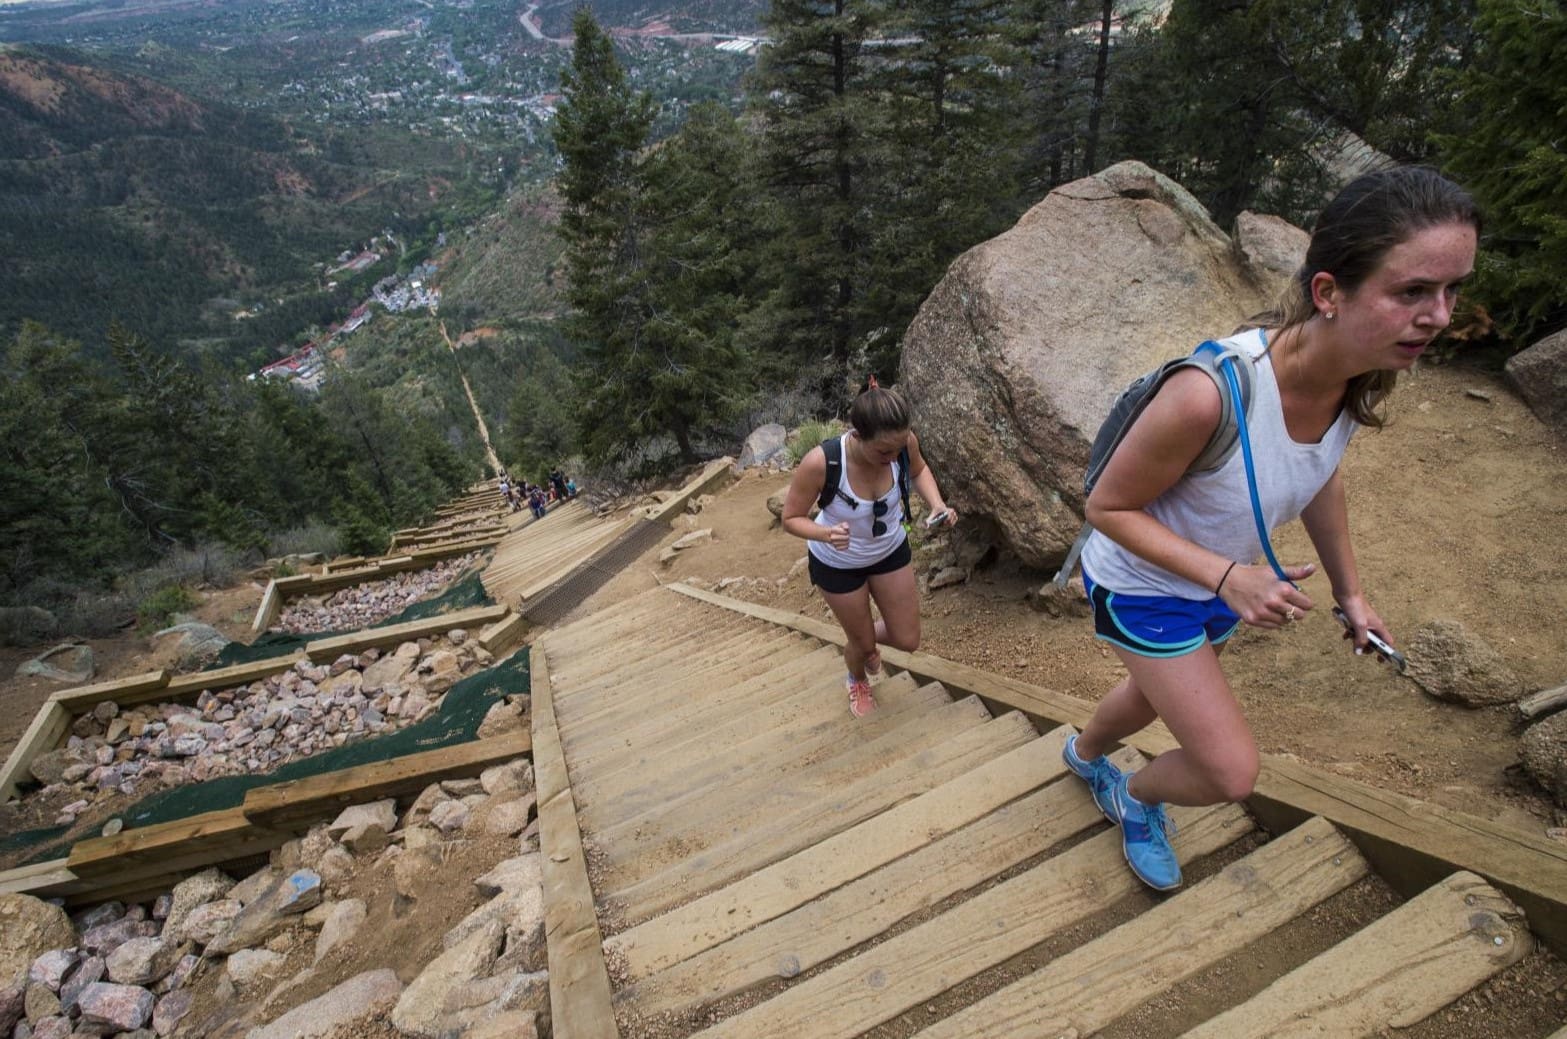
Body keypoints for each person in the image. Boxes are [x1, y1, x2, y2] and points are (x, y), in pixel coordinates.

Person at [1063, 167, 1480, 892]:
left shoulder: (1357, 372)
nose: (1439, 315)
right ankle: (1134, 796)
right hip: (1145, 586)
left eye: (1451, 289)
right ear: (1327, 292)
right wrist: (1229, 576)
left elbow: (1319, 472)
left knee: (1151, 690)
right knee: (1228, 769)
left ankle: (1082, 754)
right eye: (1411, 291)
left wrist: (1351, 593)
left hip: (1220, 583)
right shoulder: (1206, 395)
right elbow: (1105, 507)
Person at [781, 378, 958, 717]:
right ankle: (857, 675)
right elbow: (791, 518)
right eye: (883, 452)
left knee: (907, 640)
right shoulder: (823, 463)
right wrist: (826, 533)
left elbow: (918, 470)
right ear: (858, 436)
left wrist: (936, 504)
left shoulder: (903, 444)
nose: (893, 458)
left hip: (889, 549)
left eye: (898, 448)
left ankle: (863, 641)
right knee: (861, 646)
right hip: (836, 561)